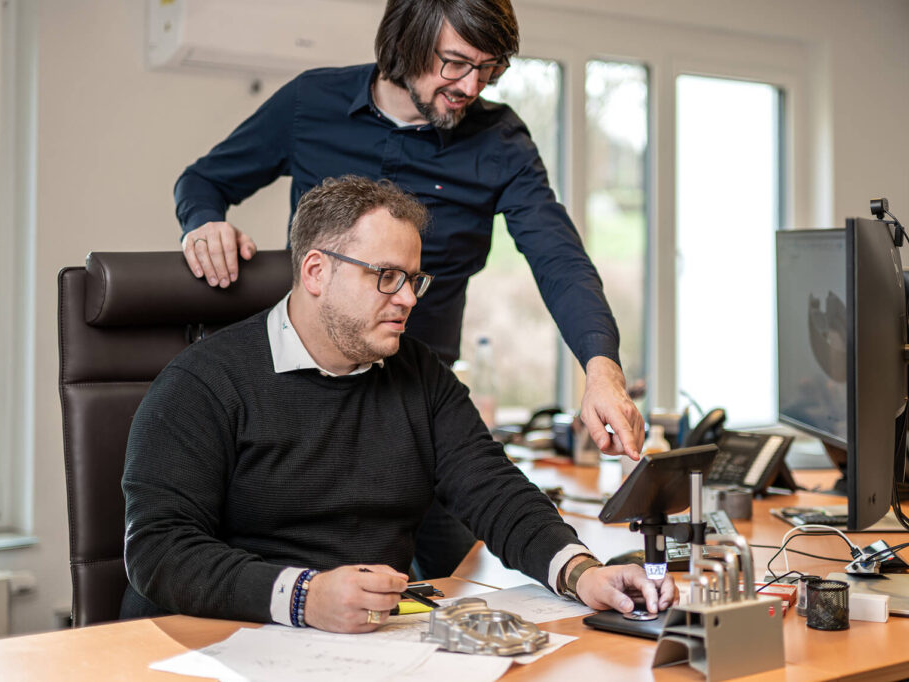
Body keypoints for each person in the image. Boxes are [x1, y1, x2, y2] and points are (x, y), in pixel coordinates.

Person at [174, 0, 645, 577]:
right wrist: (203, 222)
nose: (471, 84)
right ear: (407, 42)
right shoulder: (310, 103)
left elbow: (559, 259)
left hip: (425, 406)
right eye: (454, 63)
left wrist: (601, 368)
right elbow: (204, 179)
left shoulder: (498, 140)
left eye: (489, 68)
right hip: (311, 405)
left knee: (473, 579)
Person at [122, 176, 675, 632]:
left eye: (413, 279)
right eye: (386, 277)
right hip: (223, 643)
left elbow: (495, 491)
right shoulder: (202, 382)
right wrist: (302, 596)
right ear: (316, 272)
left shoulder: (419, 373)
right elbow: (159, 548)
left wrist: (581, 573)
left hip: (372, 644)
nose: (408, 298)